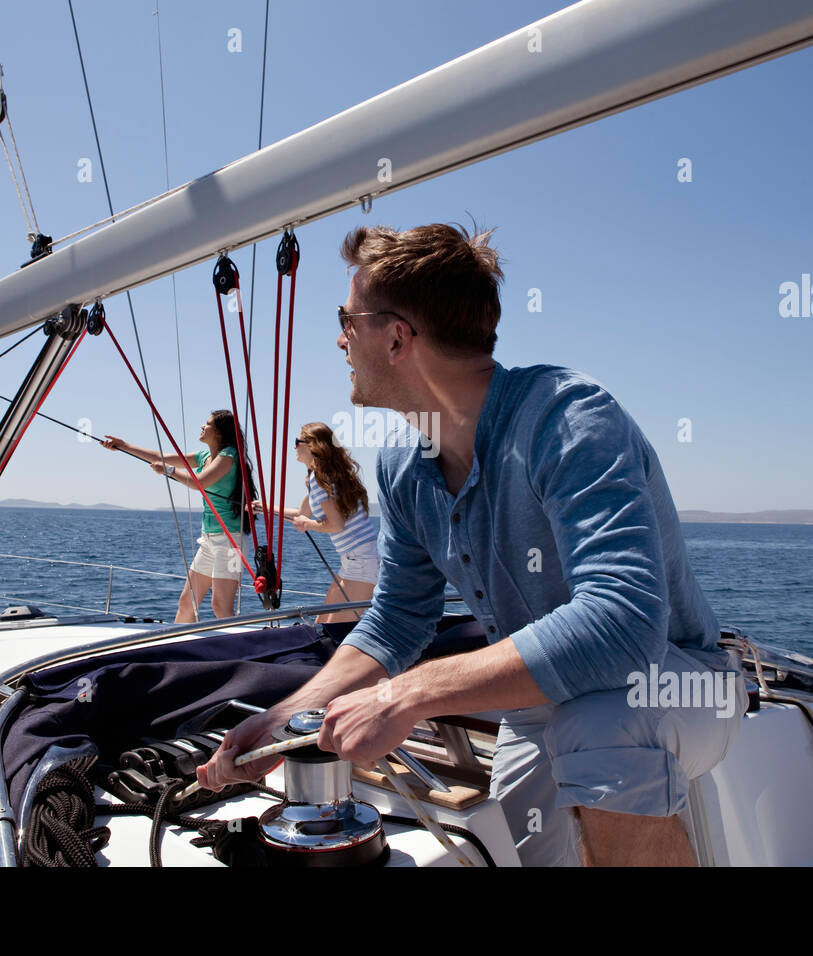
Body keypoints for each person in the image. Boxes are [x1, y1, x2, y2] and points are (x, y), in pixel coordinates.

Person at [197, 223, 747, 867]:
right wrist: (283, 717)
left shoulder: (567, 421)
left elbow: (622, 624)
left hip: (679, 683)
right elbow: (397, 619)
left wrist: (405, 695)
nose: (340, 336)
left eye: (347, 318)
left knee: (602, 728)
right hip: (542, 704)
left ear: (398, 336)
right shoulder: (403, 462)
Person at [101, 409, 257, 623]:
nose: (202, 426)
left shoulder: (229, 456)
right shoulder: (204, 457)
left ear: (220, 432)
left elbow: (199, 483)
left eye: (207, 423)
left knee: (221, 606)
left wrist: (170, 472)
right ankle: (178, 649)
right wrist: (124, 446)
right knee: (186, 603)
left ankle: (242, 647)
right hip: (208, 540)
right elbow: (160, 457)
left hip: (231, 543)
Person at [257, 422, 378, 624]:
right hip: (355, 561)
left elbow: (336, 525)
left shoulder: (320, 478)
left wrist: (308, 524)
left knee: (336, 630)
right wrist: (263, 507)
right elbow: (300, 513)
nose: (294, 447)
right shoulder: (322, 477)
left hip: (362, 562)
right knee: (321, 625)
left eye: (297, 442)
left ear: (313, 446)